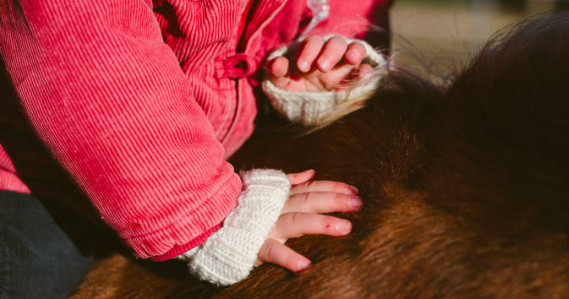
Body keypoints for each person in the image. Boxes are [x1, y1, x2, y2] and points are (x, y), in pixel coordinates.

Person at [0, 0, 390, 297]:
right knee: (33, 278)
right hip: (30, 169)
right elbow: (80, 40)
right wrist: (201, 211)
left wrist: (324, 51)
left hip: (209, 142)